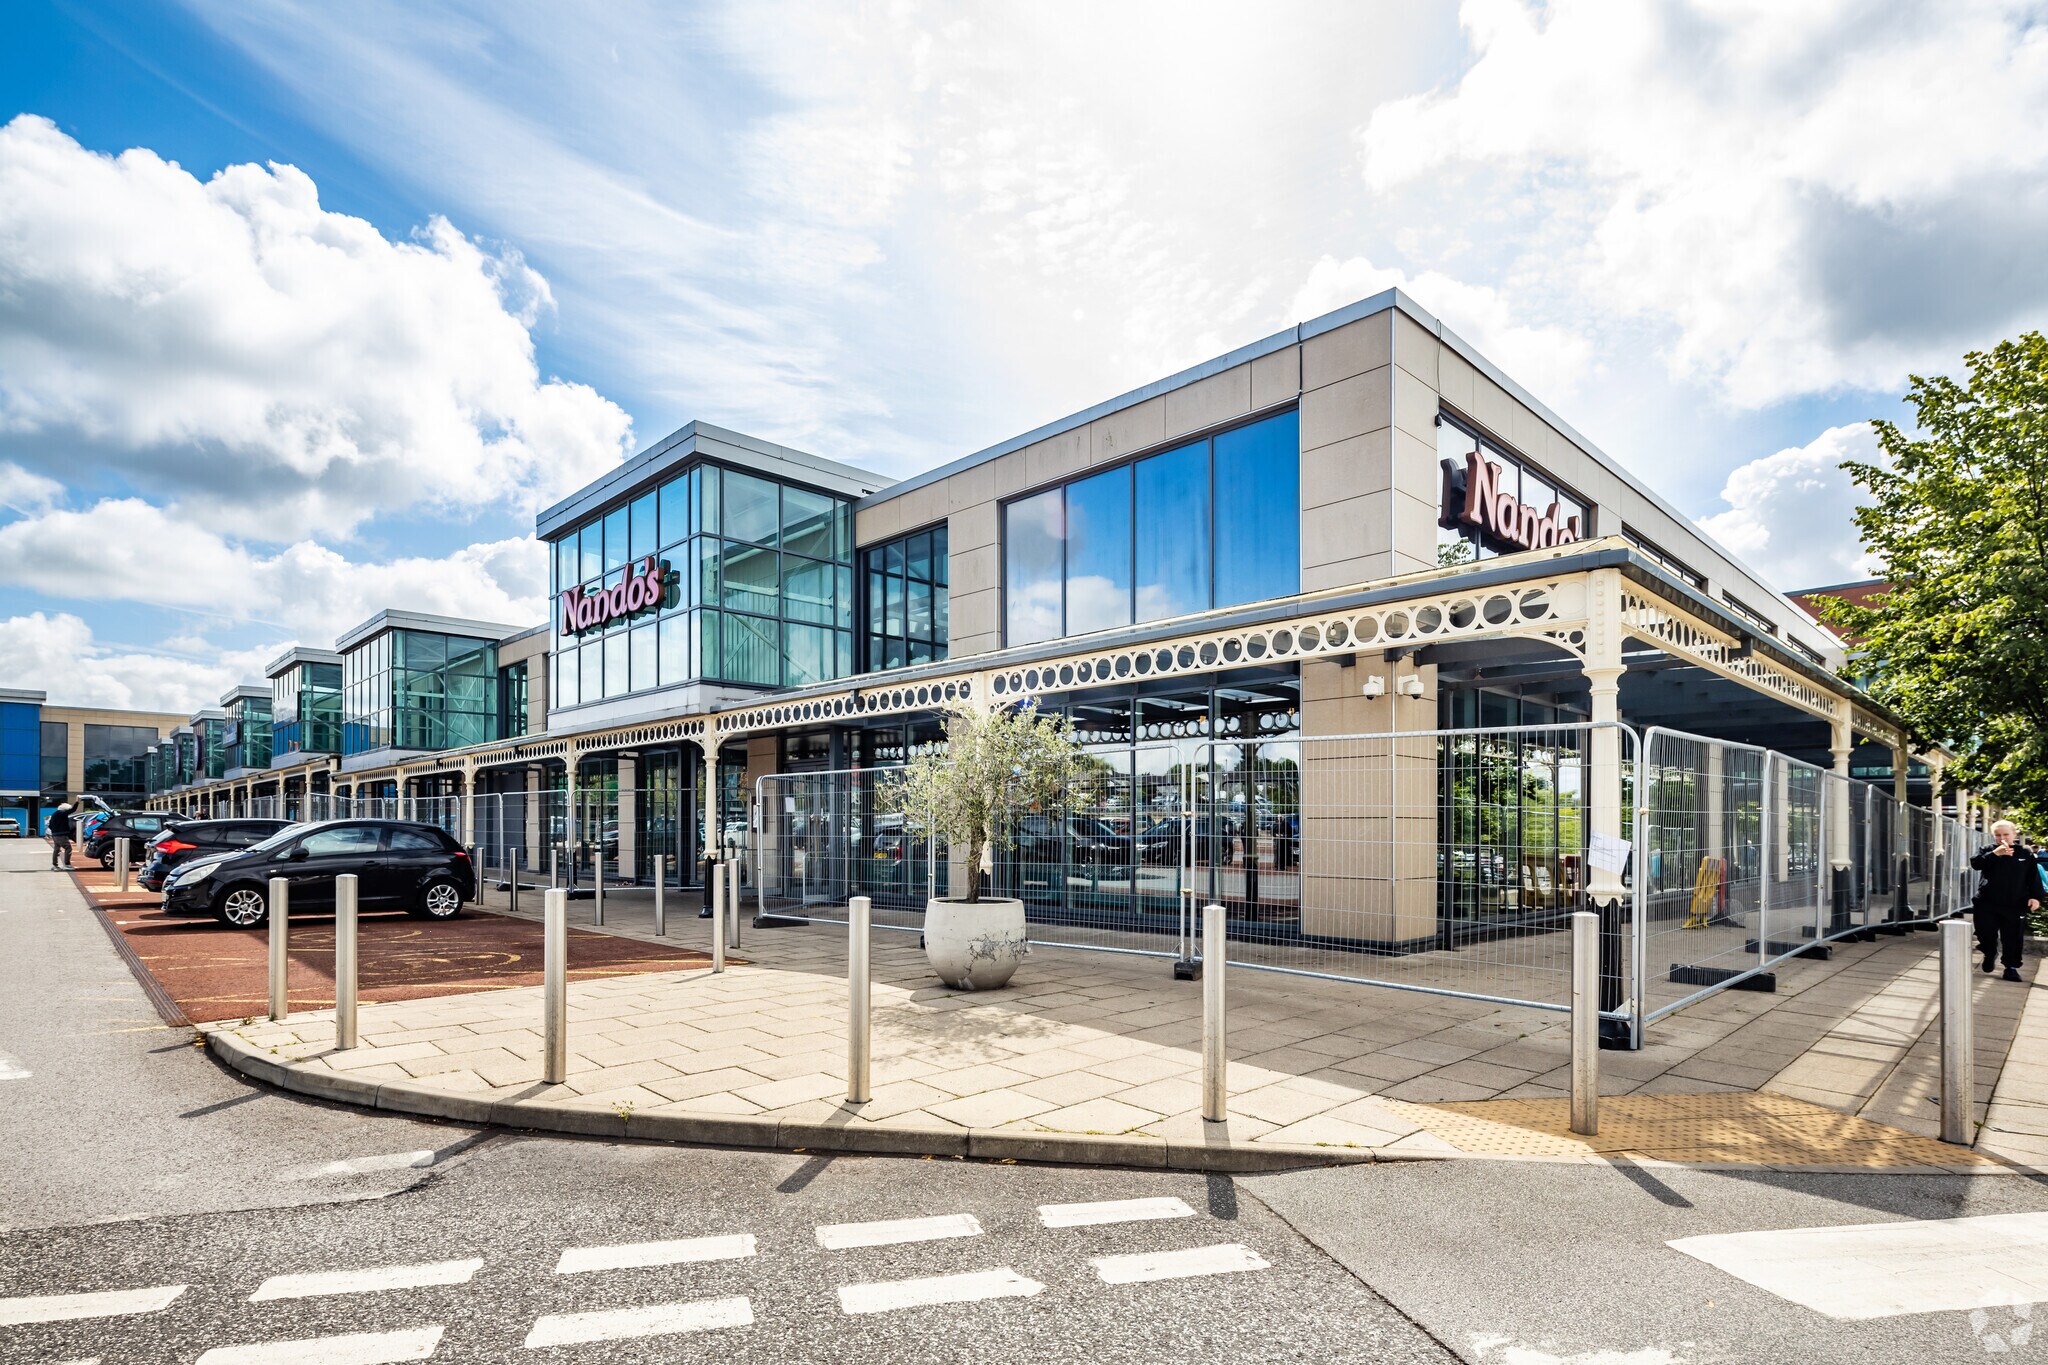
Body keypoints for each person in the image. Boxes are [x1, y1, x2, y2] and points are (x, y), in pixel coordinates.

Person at [1969, 819, 2037, 982]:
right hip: (1987, 902)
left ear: (2014, 834)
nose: (2002, 838)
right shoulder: (1987, 850)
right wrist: (1995, 854)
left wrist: (2035, 897)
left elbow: (2032, 877)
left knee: (2013, 936)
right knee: (1984, 933)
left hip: (2015, 903)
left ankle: (2011, 968)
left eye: (2006, 834)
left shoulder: (2025, 853)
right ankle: (1989, 952)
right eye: (1998, 835)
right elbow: (1976, 864)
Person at [45, 799, 75, 871]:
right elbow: (72, 810)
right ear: (65, 810)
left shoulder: (55, 814)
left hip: (55, 834)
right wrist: (77, 802)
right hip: (61, 835)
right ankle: (67, 864)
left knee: (57, 849)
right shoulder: (61, 813)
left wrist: (55, 831)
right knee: (68, 848)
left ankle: (55, 865)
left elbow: (50, 825)